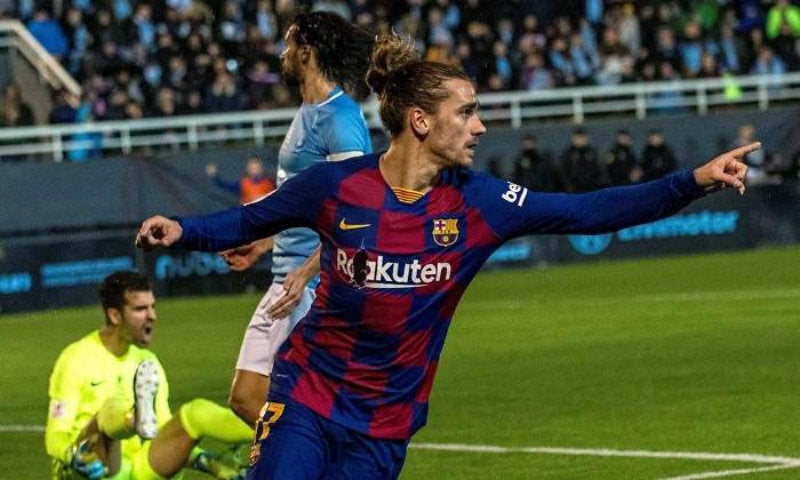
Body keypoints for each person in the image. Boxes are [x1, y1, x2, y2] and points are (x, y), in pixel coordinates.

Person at [135, 33, 756, 479]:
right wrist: (181, 229)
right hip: (309, 395)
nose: (481, 126)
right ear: (421, 122)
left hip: (386, 422)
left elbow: (589, 210)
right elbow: (247, 220)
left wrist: (693, 180)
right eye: (468, 112)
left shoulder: (485, 203)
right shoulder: (337, 185)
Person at [221, 11, 374, 428]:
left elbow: (357, 215)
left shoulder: (341, 120)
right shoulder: (309, 111)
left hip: (309, 287)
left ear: (306, 52)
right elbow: (302, 203)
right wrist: (265, 241)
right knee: (258, 399)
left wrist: (307, 274)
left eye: (289, 45)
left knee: (253, 398)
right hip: (290, 276)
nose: (282, 54)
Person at [46, 271, 252, 480]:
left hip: (134, 472)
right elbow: (55, 434)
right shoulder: (76, 358)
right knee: (110, 409)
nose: (152, 315)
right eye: (140, 309)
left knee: (193, 414)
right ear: (115, 315)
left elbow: (163, 433)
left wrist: (213, 465)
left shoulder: (148, 363)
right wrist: (70, 455)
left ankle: (270, 426)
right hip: (90, 466)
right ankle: (131, 419)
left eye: (152, 306)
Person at [205, 155, 276, 205]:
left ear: (261, 167)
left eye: (256, 165)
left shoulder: (270, 183)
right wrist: (214, 176)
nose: (254, 169)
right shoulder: (243, 184)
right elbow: (226, 185)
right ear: (247, 169)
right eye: (251, 167)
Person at [560, 127, 602, 192]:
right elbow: (564, 173)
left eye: (583, 137)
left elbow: (598, 171)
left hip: (591, 189)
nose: (582, 140)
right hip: (574, 190)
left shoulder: (592, 153)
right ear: (573, 138)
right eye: (579, 137)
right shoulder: (568, 154)